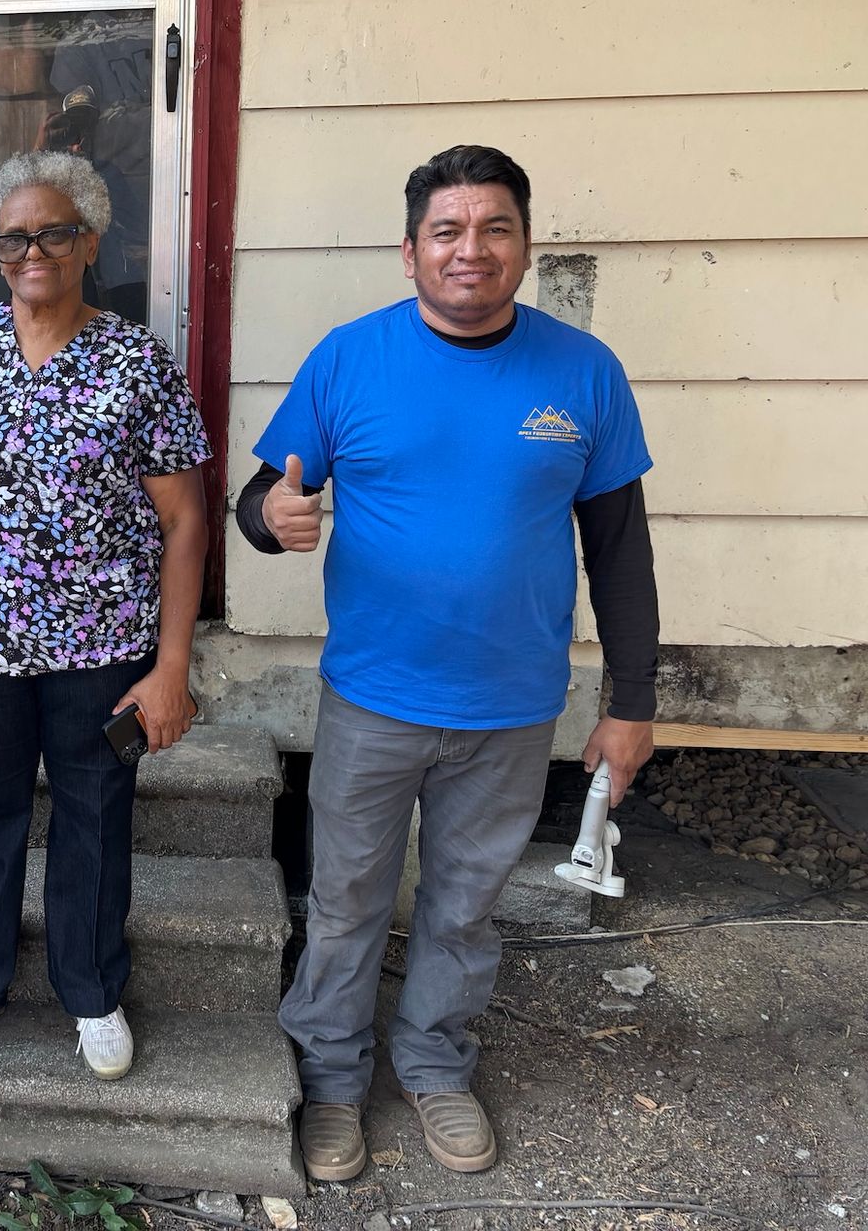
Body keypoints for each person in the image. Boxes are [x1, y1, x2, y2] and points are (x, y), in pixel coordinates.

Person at [238, 145, 659, 1181]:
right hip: (373, 699)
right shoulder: (350, 359)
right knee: (345, 902)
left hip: (512, 705)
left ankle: (434, 1063)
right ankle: (333, 1078)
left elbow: (620, 550)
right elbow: (260, 498)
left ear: (523, 244)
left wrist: (632, 703)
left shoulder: (584, 373)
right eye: (448, 230)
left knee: (466, 905)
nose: (470, 250)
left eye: (493, 229)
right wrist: (272, 516)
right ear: (412, 249)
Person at [0, 150, 210, 1081]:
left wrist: (170, 665)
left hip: (101, 641)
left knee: (95, 806)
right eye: (13, 237)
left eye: (54, 231)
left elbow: (184, 522)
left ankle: (92, 991)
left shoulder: (137, 361)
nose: (33, 251)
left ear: (90, 240)